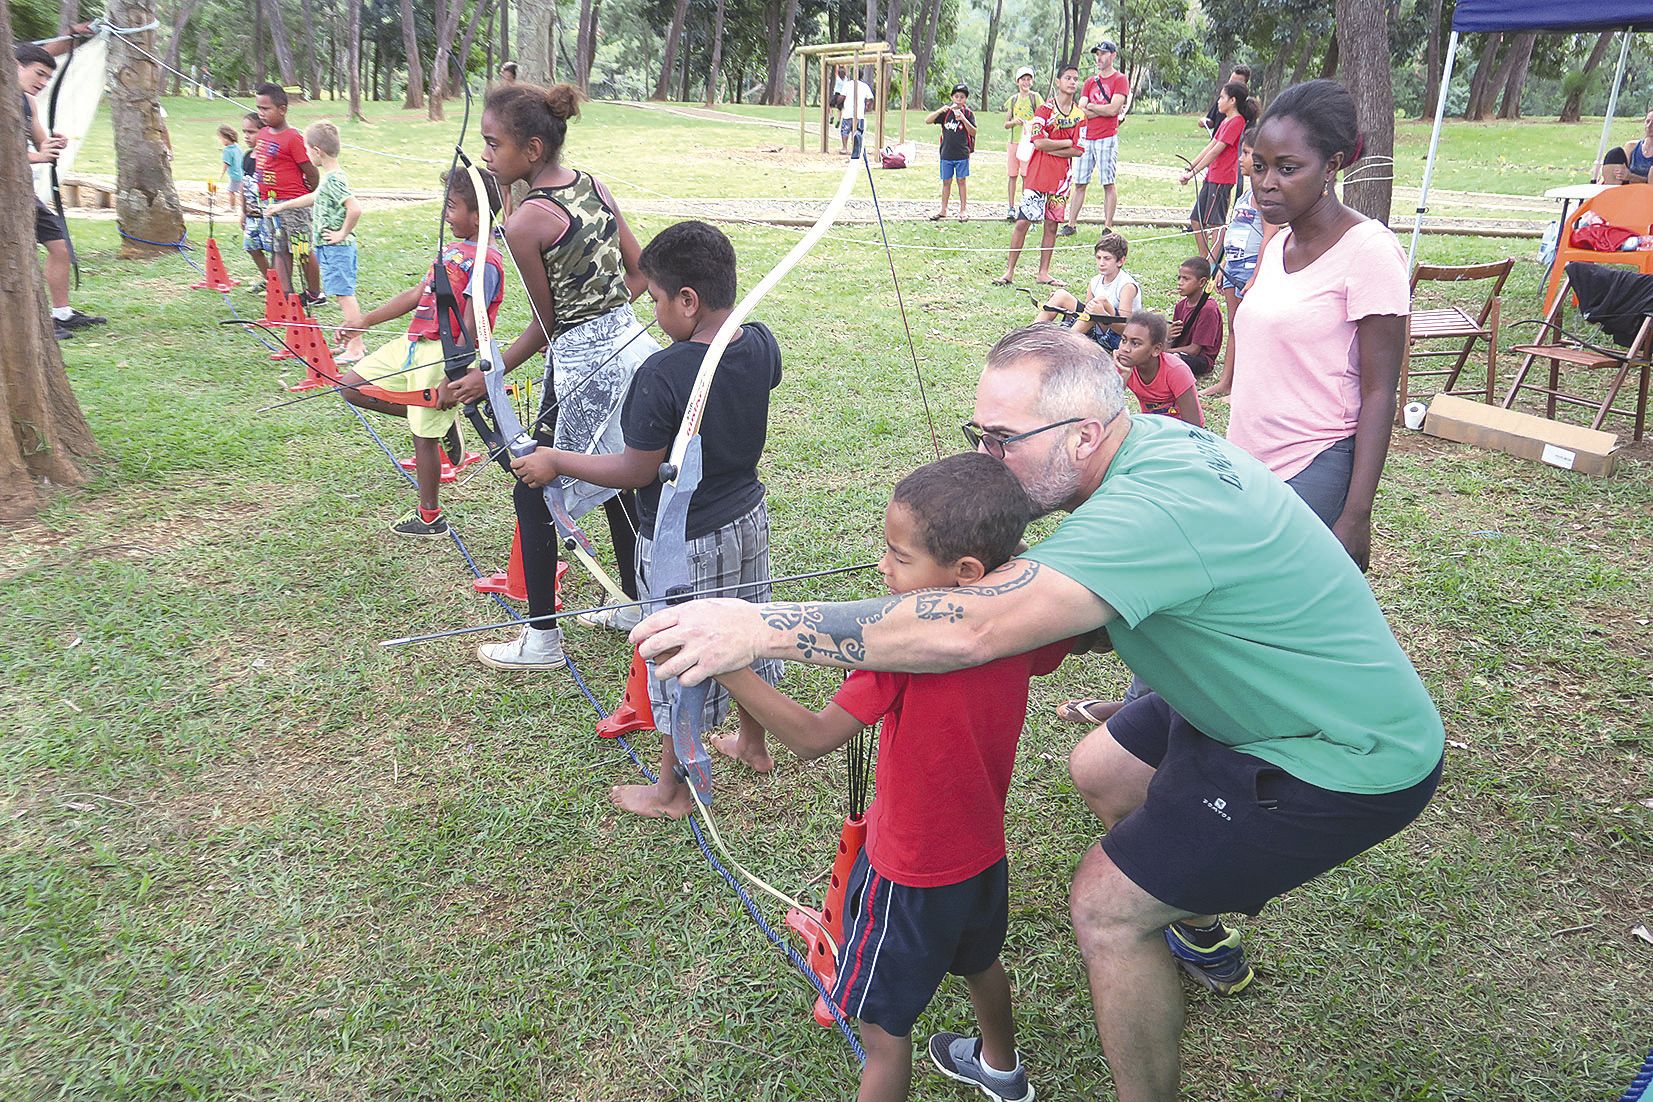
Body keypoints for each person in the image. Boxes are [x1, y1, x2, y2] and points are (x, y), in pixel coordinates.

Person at [632, 322, 1446, 1102]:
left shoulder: (1147, 511)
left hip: (1335, 751)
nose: (981, 456)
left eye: (1000, 440)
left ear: (1083, 435)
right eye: (977, 432)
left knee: (1105, 907)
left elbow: (973, 628)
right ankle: (1197, 925)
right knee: (1099, 768)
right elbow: (1068, 618)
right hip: (1239, 700)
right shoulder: (1150, 451)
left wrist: (749, 627)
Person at [712, 451, 1070, 1102]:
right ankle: (1001, 1069)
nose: (882, 566)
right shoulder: (1027, 623)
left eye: (899, 557)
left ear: (965, 572)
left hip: (908, 870)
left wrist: (727, 661)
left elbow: (813, 738)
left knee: (880, 1030)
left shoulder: (904, 651)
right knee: (980, 960)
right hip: (982, 851)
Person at [510, 221, 782, 819]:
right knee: (743, 628)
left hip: (684, 542)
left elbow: (637, 470)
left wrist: (554, 459)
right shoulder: (760, 342)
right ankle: (753, 744)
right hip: (747, 521)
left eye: (656, 300)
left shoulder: (662, 373)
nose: (653, 312)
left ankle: (671, 790)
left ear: (688, 300)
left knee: (678, 654)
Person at [463, 80, 658, 666]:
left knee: (536, 484)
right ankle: (633, 600)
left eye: (494, 145)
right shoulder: (592, 186)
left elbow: (548, 326)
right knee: (619, 473)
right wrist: (609, 316)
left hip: (582, 366)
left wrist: (488, 376)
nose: (486, 156)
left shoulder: (524, 223)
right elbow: (641, 269)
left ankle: (543, 638)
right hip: (631, 347)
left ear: (532, 149)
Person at [1229, 79, 1410, 570]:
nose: (1267, 182)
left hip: (1314, 463)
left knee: (1268, 609)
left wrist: (1356, 515)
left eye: (1288, 169)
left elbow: (1380, 391)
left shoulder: (1369, 251)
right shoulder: (1277, 244)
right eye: (1259, 165)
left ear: (1331, 165)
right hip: (1248, 462)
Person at [342, 169, 503, 536]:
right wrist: (364, 320)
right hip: (413, 344)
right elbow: (418, 294)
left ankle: (430, 517)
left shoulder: (486, 262)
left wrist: (453, 374)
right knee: (351, 387)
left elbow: (470, 321)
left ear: (477, 216)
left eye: (453, 206)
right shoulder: (452, 250)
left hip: (441, 357)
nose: (446, 213)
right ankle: (436, 420)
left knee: (423, 437)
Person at [16, 41, 106, 341]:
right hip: (8, 195)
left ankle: (61, 313)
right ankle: (28, 322)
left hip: (22, 191)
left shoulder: (27, 102)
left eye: (47, 78)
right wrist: (36, 157)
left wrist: (52, 144)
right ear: (16, 66)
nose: (42, 83)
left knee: (59, 248)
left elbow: (40, 141)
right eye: (39, 74)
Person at [268, 122, 366, 361]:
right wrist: (283, 206)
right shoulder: (330, 177)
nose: (306, 154)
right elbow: (315, 198)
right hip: (329, 248)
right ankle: (353, 344)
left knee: (345, 295)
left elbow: (355, 208)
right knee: (343, 294)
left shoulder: (334, 180)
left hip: (337, 248)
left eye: (306, 149)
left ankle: (356, 349)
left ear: (317, 150)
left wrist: (342, 233)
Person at [994, 64, 1090, 288]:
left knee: (1052, 225)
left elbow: (1079, 149)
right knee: (1022, 221)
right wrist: (1066, 142)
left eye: (1076, 79)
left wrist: (1053, 146)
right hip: (1037, 175)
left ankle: (1043, 272)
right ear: (1058, 81)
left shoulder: (1079, 115)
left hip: (1061, 179)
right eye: (1068, 78)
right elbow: (1037, 141)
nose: (1072, 82)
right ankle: (1009, 271)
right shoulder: (1044, 110)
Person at [1203, 126, 1274, 399]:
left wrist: (1257, 275)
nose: (1241, 159)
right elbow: (1233, 229)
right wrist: (1220, 266)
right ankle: (1226, 382)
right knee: (1234, 325)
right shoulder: (1245, 196)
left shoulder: (1266, 197)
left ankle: (1244, 386)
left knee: (1249, 327)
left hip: (1251, 270)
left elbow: (1270, 236)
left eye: (1246, 153)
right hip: (1232, 269)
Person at [252, 83, 323, 306]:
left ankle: (314, 293)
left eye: (266, 108)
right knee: (278, 249)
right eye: (258, 108)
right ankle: (285, 295)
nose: (261, 113)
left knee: (301, 249)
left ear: (282, 109)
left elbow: (311, 172)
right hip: (271, 204)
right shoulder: (262, 134)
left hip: (293, 205)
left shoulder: (293, 138)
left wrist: (305, 196)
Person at [1178, 81, 1256, 260]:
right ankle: (1204, 259)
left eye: (1222, 97)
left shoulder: (1237, 122)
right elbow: (1210, 146)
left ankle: (1213, 264)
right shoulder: (1226, 121)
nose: (1219, 101)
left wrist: (1192, 173)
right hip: (1212, 176)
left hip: (1222, 179)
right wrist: (1191, 166)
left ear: (1233, 100)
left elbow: (1216, 151)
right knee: (1196, 220)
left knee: (1216, 223)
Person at [1061, 42, 1128, 237]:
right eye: (1097, 54)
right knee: (1080, 182)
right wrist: (1102, 109)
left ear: (1113, 56)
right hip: (1087, 137)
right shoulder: (1090, 81)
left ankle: (1107, 226)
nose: (1099, 58)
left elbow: (1114, 109)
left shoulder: (1120, 79)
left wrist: (1095, 107)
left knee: (1108, 182)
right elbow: (1081, 110)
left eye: (1103, 54)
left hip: (1107, 136)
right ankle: (1071, 224)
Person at [1033, 231, 1137, 350]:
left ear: (1120, 261)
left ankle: (1064, 345)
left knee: (1099, 302)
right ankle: (1028, 339)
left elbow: (1126, 329)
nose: (1101, 263)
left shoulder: (1127, 286)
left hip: (1117, 339)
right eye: (1098, 258)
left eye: (1107, 259)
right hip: (1096, 332)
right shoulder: (1095, 281)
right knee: (1060, 295)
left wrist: (1102, 315)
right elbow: (1086, 316)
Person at [1113, 311, 1203, 426]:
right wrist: (1122, 379)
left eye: (1135, 344)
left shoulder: (1176, 370)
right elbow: (1107, 414)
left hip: (1180, 431)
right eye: (1124, 340)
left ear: (1156, 349)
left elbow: (1194, 425)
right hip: (1152, 427)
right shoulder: (1125, 366)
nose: (1125, 349)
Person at [926, 83, 976, 221]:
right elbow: (928, 121)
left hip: (962, 154)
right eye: (956, 96)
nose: (959, 99)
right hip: (946, 154)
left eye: (962, 97)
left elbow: (973, 132)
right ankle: (943, 209)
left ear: (965, 99)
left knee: (961, 181)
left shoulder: (968, 113)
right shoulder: (946, 113)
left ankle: (963, 209)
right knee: (946, 182)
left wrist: (963, 119)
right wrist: (940, 111)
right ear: (952, 97)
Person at [1166, 256, 1222, 378]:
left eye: (1186, 279)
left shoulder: (1208, 309)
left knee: (1173, 359)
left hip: (1200, 359)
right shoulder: (1180, 306)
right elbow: (1174, 341)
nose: (1180, 283)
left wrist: (1165, 352)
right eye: (1179, 278)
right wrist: (1168, 337)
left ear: (1202, 282)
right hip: (1178, 351)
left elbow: (1194, 350)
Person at [238, 112, 272, 293]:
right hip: (252, 214)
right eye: (244, 132)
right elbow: (243, 184)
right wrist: (242, 211)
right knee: (251, 246)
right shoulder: (247, 157)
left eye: (251, 132)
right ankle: (269, 278)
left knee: (274, 249)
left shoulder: (269, 158)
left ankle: (278, 283)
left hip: (269, 213)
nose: (246, 136)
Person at [1002, 66, 1039, 222]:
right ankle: (1011, 207)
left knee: (1026, 176)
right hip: (1014, 142)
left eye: (1028, 79)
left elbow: (1041, 117)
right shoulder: (1013, 100)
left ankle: (1025, 207)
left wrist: (1031, 124)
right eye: (1023, 79)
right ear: (1017, 82)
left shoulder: (1035, 97)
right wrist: (1014, 122)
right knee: (1012, 175)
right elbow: (1006, 124)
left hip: (1028, 143)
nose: (1026, 82)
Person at [838, 67, 877, 157]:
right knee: (858, 132)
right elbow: (871, 98)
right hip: (859, 113)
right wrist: (867, 107)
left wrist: (838, 103)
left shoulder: (847, 85)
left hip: (848, 112)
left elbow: (842, 96)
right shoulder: (864, 86)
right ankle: (856, 148)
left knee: (845, 131)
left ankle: (844, 148)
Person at [1200, 64, 1251, 132]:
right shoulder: (1222, 101)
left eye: (1237, 84)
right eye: (1231, 82)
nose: (1232, 86)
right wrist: (1205, 122)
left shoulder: (1248, 107)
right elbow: (1212, 121)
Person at [216, 124, 243, 213]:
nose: (220, 140)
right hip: (241, 173)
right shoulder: (237, 147)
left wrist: (221, 174)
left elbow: (226, 163)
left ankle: (232, 207)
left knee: (231, 191)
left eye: (220, 138)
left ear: (225, 138)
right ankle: (243, 206)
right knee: (242, 191)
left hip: (234, 175)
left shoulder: (227, 150)